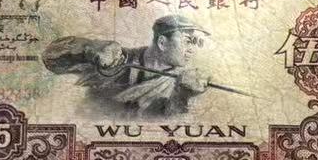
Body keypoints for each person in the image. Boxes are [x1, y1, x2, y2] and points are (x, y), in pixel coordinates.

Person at [42, 14, 212, 116]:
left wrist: (183, 95)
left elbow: (161, 126)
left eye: (195, 43)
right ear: (162, 42)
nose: (192, 49)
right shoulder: (116, 60)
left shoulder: (187, 83)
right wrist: (87, 49)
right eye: (187, 41)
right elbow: (50, 57)